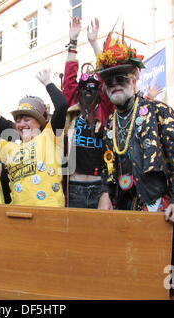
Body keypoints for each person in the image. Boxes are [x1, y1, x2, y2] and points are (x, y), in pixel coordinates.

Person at [96, 30, 174, 293]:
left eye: (121, 78)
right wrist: (105, 194)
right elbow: (108, 166)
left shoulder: (159, 111)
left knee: (165, 273)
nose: (115, 84)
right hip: (125, 203)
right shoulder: (109, 125)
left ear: (135, 79)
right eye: (109, 81)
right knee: (130, 268)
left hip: (160, 203)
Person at [0, 69, 69, 207]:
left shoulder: (50, 136)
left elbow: (62, 105)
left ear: (39, 121)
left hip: (50, 214)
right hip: (18, 215)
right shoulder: (9, 147)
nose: (21, 124)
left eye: (26, 119)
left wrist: (48, 83)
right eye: (18, 120)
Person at [61, 17, 115, 208]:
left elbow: (108, 77)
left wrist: (94, 43)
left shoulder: (106, 108)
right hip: (74, 185)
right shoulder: (72, 107)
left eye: (94, 87)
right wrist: (73, 42)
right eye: (84, 87)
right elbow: (68, 81)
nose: (89, 91)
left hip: (98, 186)